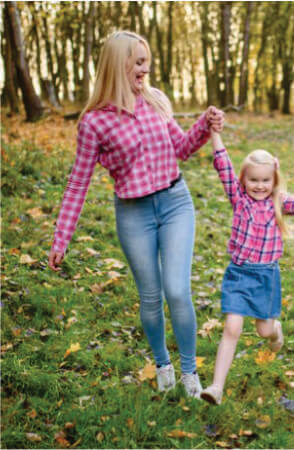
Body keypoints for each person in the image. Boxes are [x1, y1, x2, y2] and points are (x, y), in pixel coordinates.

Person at [48, 31, 224, 397]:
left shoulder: (156, 100)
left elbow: (182, 148)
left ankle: (190, 371)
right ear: (119, 64)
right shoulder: (94, 122)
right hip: (134, 214)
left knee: (177, 290)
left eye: (147, 61)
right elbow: (78, 183)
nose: (146, 69)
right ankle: (162, 365)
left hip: (176, 202)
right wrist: (61, 239)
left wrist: (204, 126)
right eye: (139, 62)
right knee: (149, 296)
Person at [200, 131, 294, 405]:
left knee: (264, 331)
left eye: (265, 180)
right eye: (253, 179)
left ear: (273, 180)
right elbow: (222, 164)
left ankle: (276, 329)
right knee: (232, 328)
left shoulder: (279, 202)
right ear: (243, 180)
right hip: (239, 274)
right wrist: (215, 133)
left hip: (266, 277)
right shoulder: (238, 199)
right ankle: (216, 387)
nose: (259, 185)